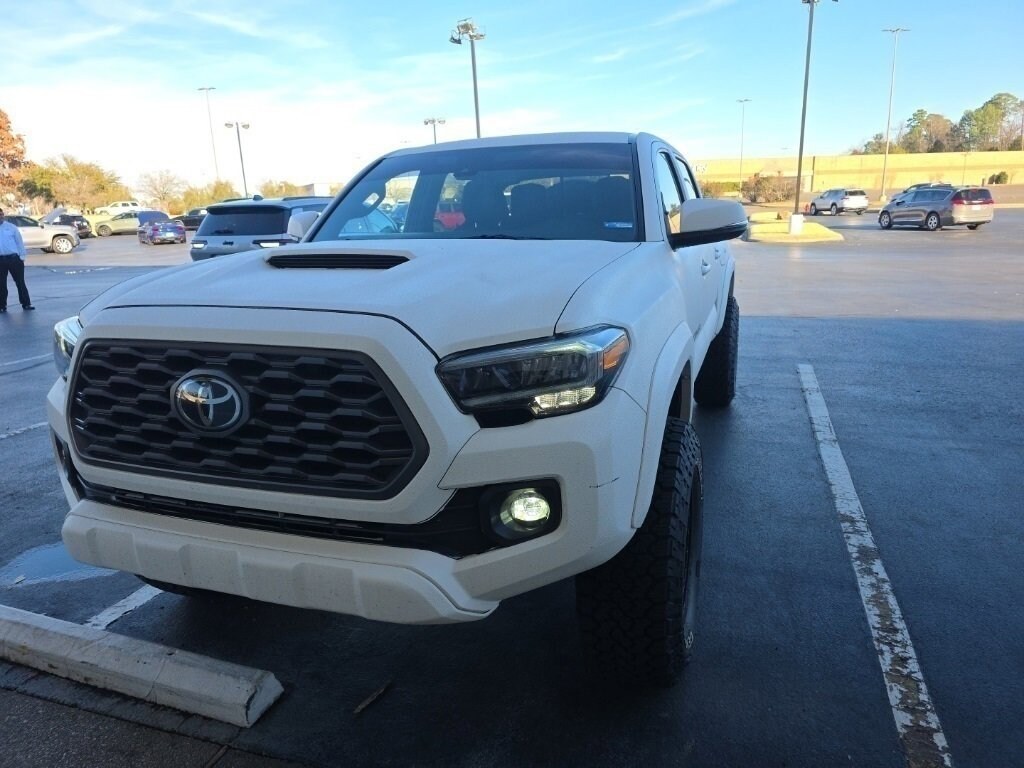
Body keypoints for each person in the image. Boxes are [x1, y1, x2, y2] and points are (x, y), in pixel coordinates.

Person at [0, 207, 33, 312]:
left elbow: (19, 243)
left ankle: (26, 304)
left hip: (14, 259)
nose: (0, 217)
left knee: (20, 282)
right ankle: (1, 306)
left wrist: (22, 257)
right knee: (1, 284)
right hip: (0, 260)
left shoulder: (11, 227)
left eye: (1, 215)